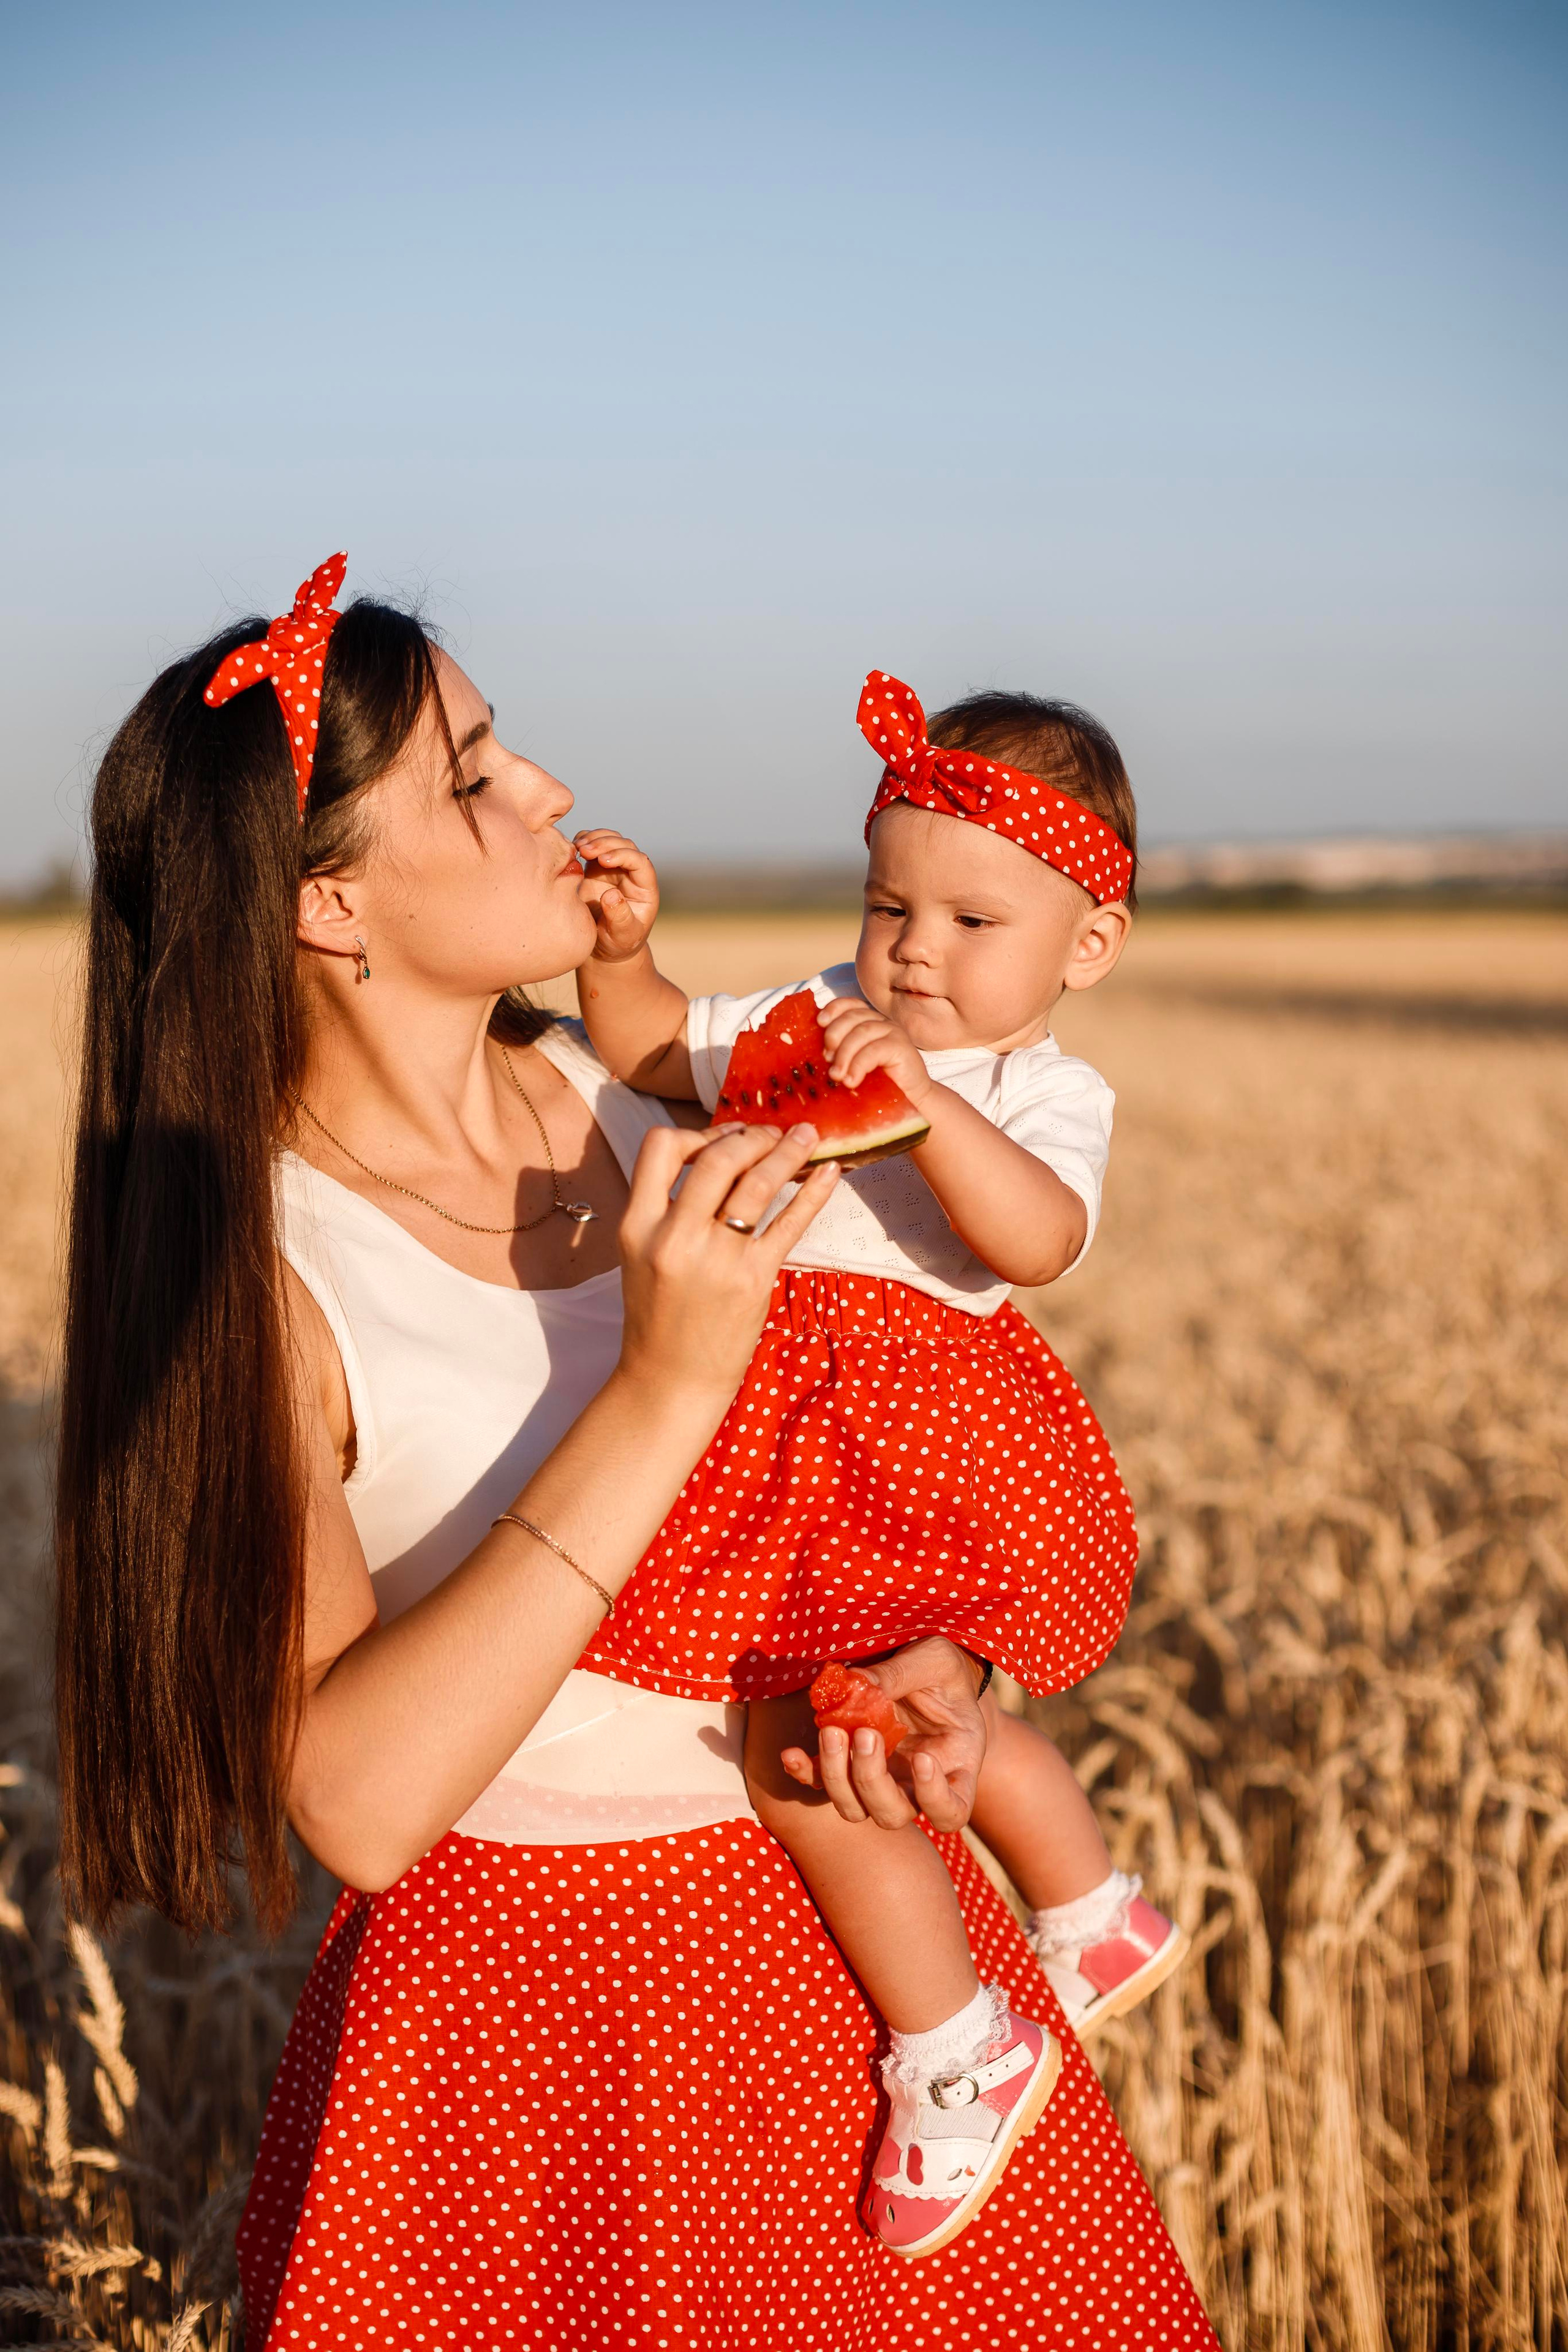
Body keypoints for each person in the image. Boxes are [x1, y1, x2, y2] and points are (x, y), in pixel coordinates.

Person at [53, 557, 1217, 2350]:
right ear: (331, 908)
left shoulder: (668, 1099)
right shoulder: (269, 1269)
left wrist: (942, 1660)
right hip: (545, 2028)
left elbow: (907, 1439)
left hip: (887, 1985)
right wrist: (663, 1389)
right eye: (474, 772)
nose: (550, 793)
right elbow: (355, 1805)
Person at [573, 670, 1187, 2252]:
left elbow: (1039, 1240)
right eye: (886, 904)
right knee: (910, 1726)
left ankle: (958, 2045)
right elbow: (648, 1055)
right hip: (788, 1435)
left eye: (973, 924)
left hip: (926, 1444)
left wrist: (916, 1108)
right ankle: (1092, 1913)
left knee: (814, 1761)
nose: (911, 949)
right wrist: (627, 958)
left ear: (1087, 948)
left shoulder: (1043, 1091)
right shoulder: (803, 1025)